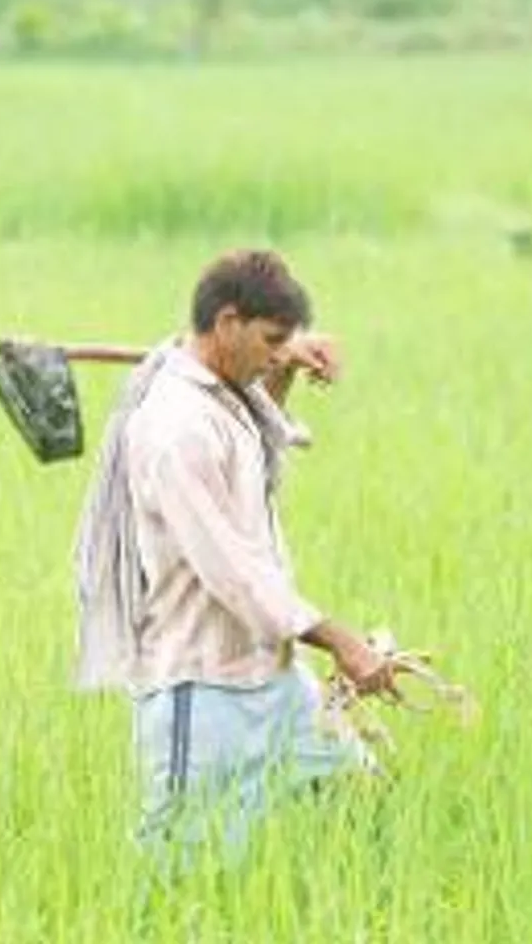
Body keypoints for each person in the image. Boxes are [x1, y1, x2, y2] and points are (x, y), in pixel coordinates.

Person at [71, 248, 401, 878]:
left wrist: (284, 369)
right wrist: (342, 642)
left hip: (273, 677)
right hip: (203, 688)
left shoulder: (225, 396)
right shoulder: (175, 427)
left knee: (363, 802)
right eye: (271, 340)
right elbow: (234, 572)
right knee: (178, 872)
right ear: (227, 325)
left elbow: (260, 460)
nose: (279, 353)